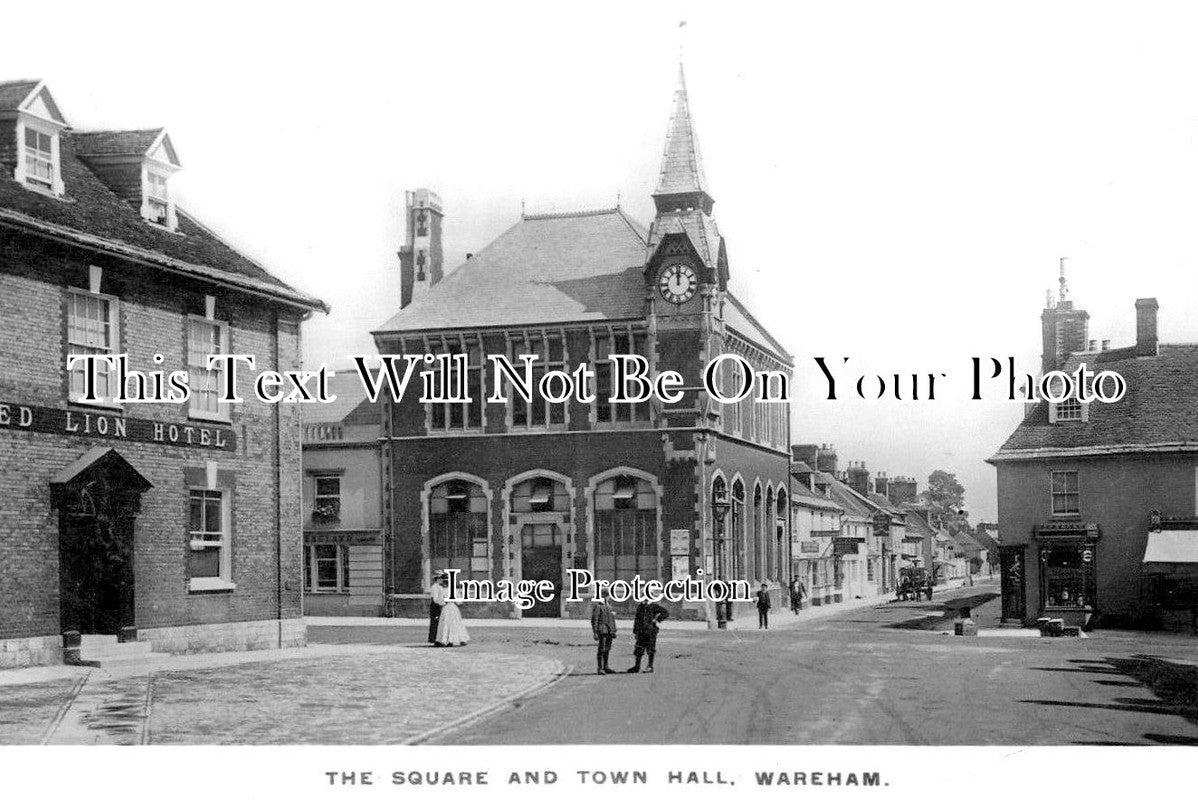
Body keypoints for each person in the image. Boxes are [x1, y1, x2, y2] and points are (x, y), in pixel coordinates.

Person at [627, 598, 669, 673]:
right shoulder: (640, 606)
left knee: (650, 649)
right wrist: (635, 632)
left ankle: (650, 666)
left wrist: (656, 619)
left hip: (651, 632)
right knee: (638, 649)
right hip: (641, 632)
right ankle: (637, 666)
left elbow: (665, 613)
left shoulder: (654, 606)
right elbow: (637, 619)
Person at [590, 593, 617, 675]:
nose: (606, 598)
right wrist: (595, 632)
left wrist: (614, 630)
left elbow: (612, 619)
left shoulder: (609, 607)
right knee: (601, 649)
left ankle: (606, 666)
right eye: (604, 596)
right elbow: (595, 620)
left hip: (609, 631)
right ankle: (600, 668)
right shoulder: (598, 606)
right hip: (602, 630)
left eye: (607, 596)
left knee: (607, 649)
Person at [428, 570, 448, 646]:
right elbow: (436, 599)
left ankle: (438, 639)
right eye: (440, 578)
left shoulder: (439, 587)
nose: (442, 580)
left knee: (439, 622)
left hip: (438, 605)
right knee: (435, 622)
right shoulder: (435, 587)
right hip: (436, 606)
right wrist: (442, 604)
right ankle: (435, 639)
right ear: (437, 579)